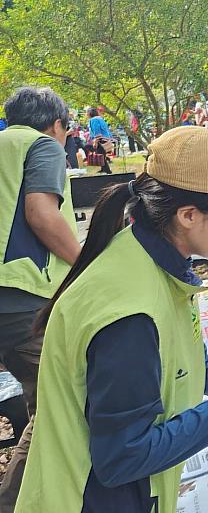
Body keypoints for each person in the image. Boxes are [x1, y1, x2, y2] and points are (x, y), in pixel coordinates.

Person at [15, 126, 208, 513]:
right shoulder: (130, 313)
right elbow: (122, 458)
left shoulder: (150, 260)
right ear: (188, 215)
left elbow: (192, 364)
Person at [0, 87, 83, 512]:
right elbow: (41, 214)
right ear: (57, 125)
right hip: (21, 301)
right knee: (61, 403)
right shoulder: (42, 146)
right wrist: (88, 264)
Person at [86, 107, 114, 174]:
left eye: (86, 112)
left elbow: (97, 131)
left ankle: (108, 171)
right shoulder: (100, 118)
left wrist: (95, 141)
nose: (86, 114)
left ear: (90, 113)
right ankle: (103, 169)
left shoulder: (93, 120)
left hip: (100, 139)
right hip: (105, 138)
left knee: (100, 154)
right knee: (101, 154)